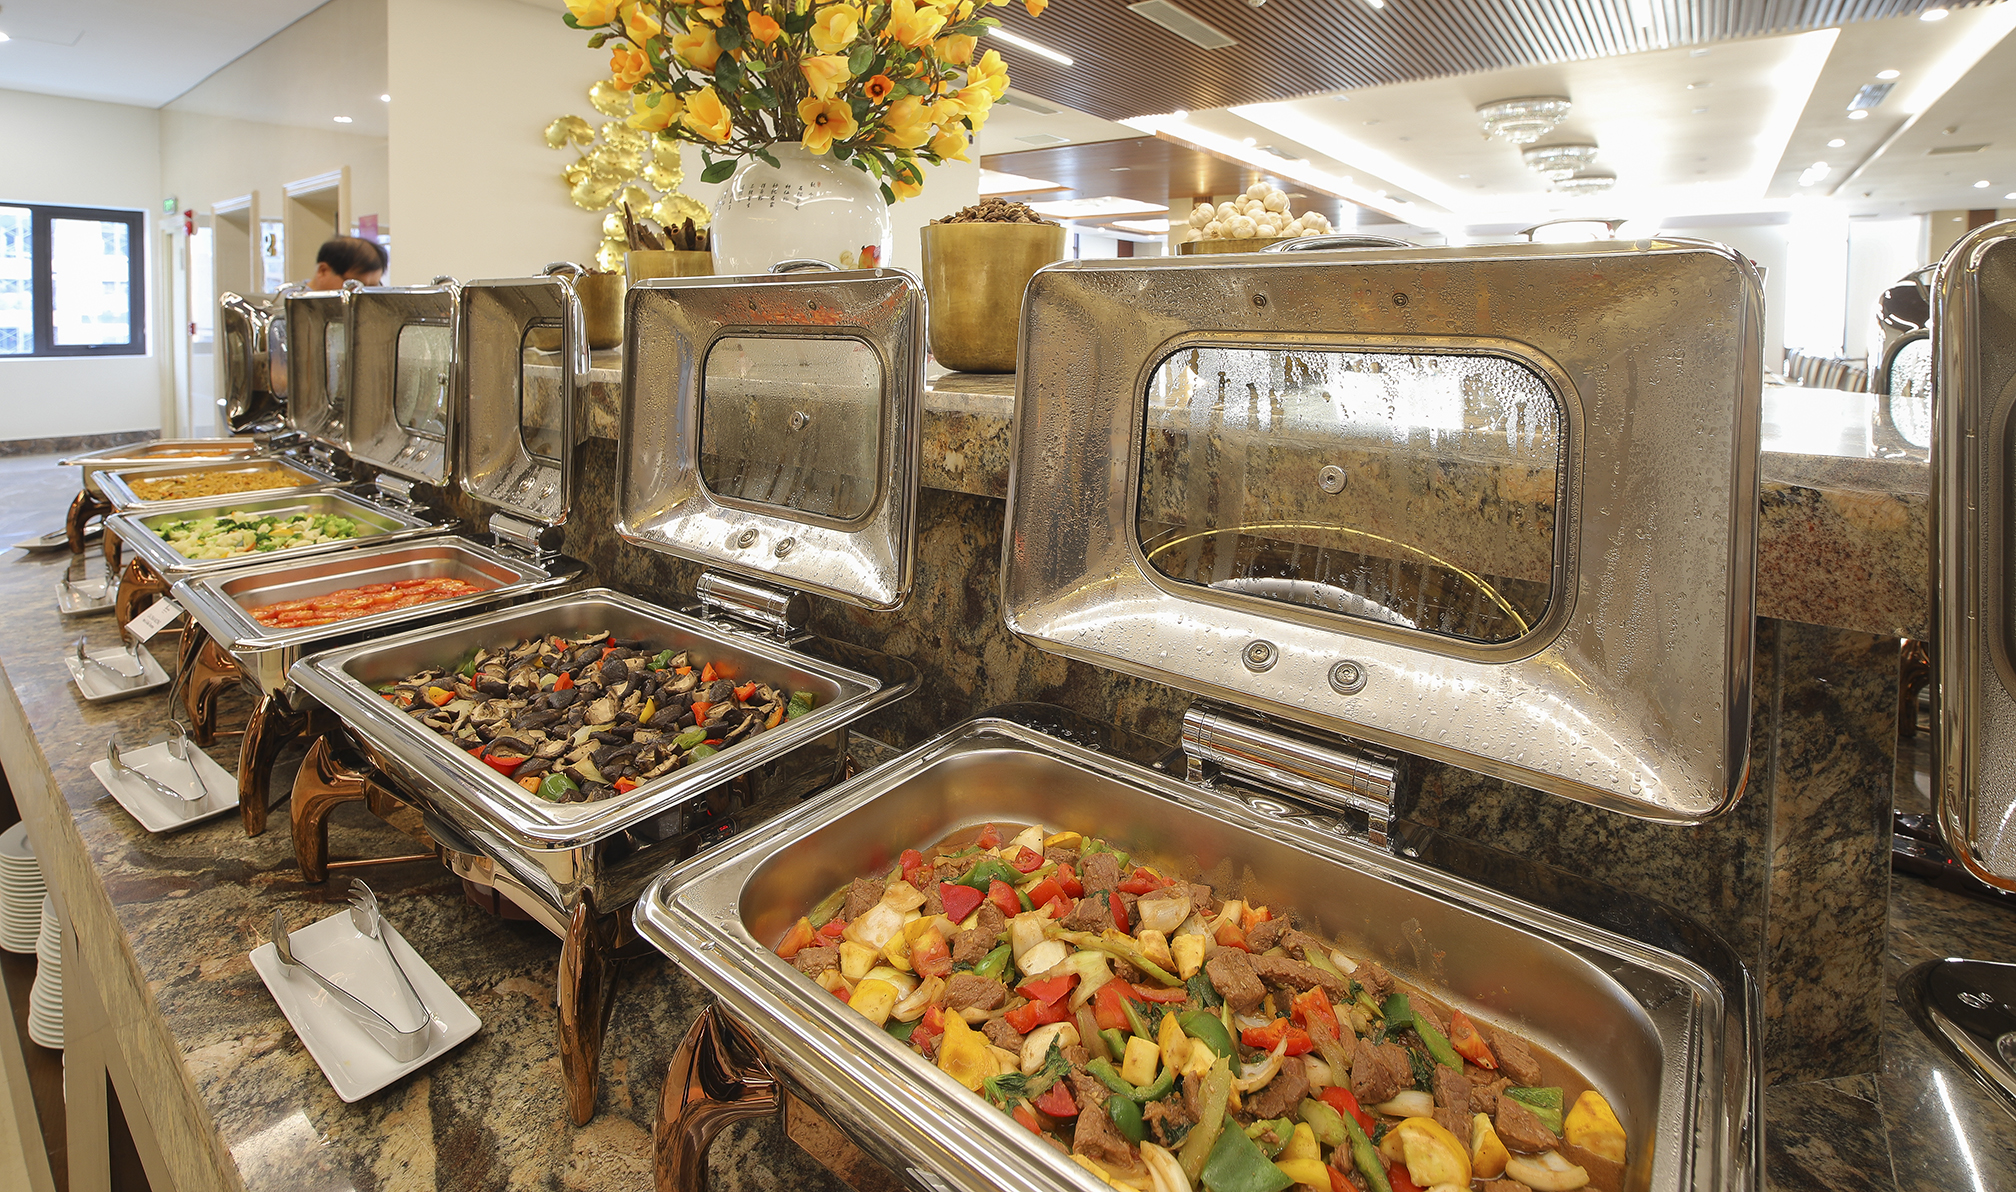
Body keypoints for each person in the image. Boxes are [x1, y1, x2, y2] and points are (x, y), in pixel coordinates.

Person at [306, 236, 387, 290]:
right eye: (355, 286)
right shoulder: (299, 306)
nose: (364, 295)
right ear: (323, 271)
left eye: (372, 287)